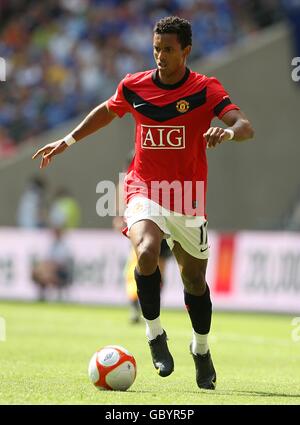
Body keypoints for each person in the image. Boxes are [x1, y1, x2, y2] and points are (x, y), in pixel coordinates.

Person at [32, 16, 254, 389]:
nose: (160, 57)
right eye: (156, 49)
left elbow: (245, 125)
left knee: (194, 280)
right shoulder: (134, 86)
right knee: (147, 252)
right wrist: (67, 140)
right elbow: (106, 110)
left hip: (187, 198)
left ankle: (200, 349)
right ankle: (154, 335)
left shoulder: (205, 89)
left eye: (168, 50)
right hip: (144, 188)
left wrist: (228, 132)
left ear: (186, 50)